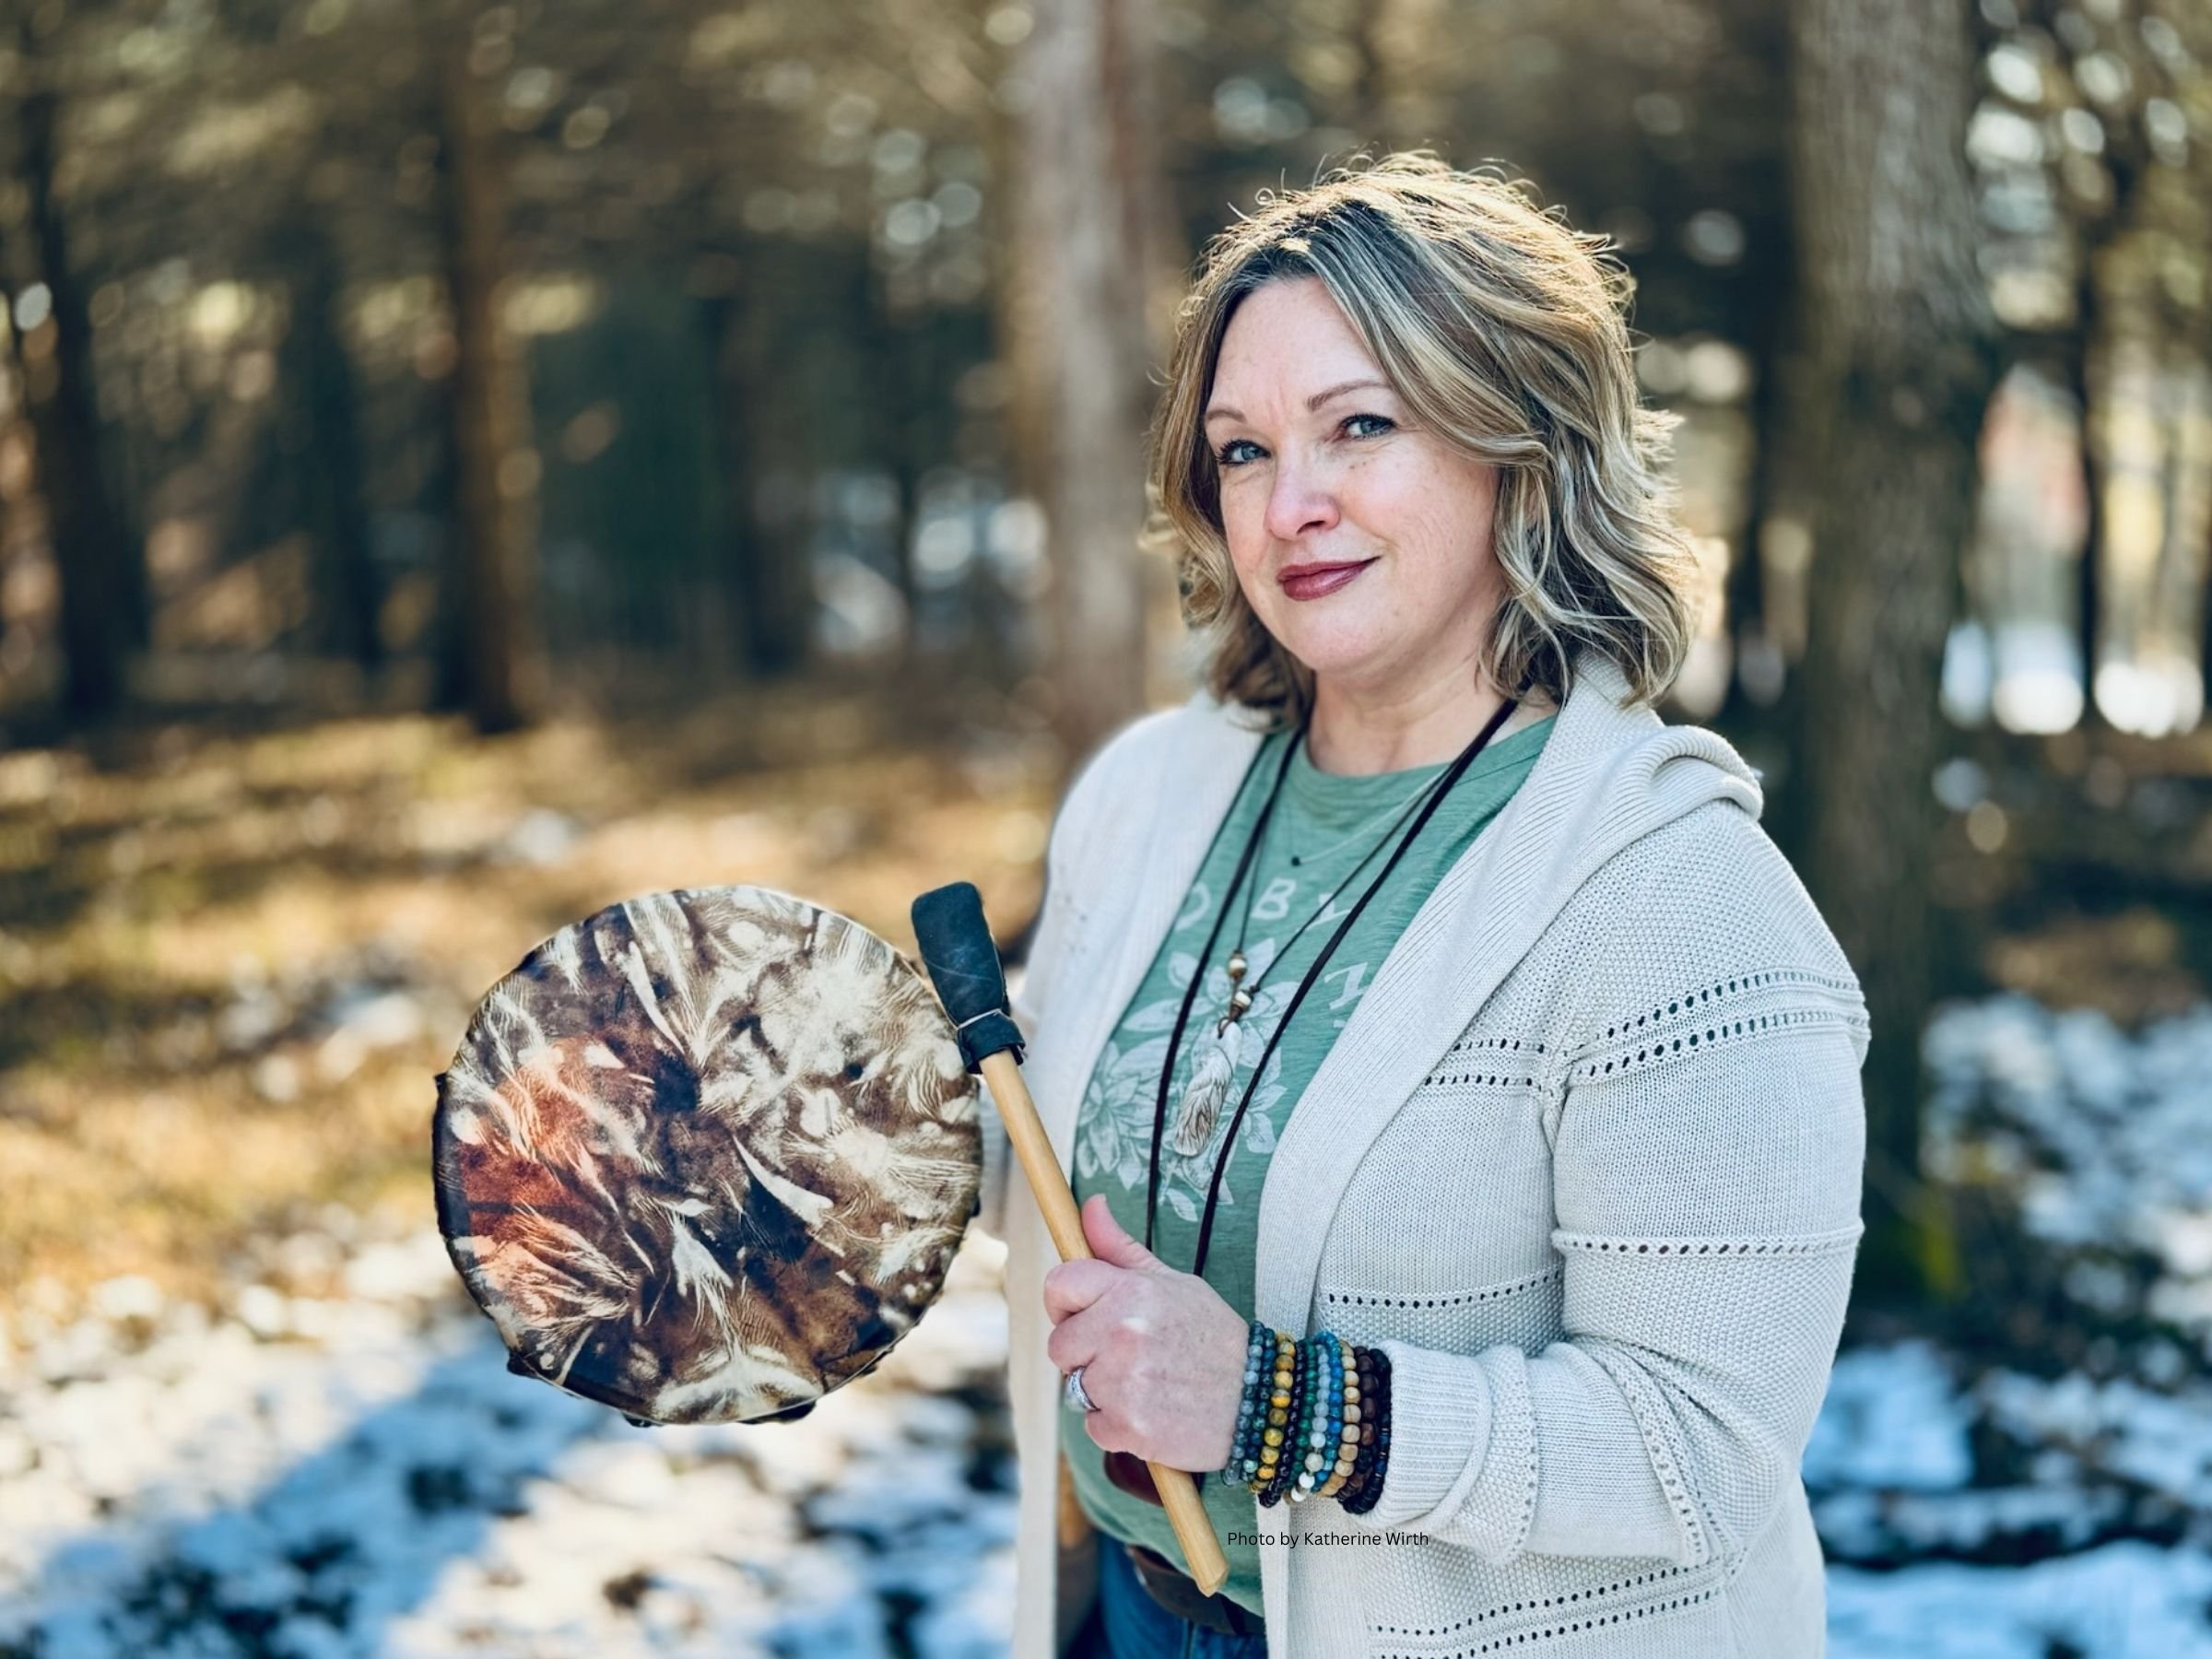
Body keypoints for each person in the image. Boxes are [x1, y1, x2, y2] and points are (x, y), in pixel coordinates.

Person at [971, 151, 1868, 1659]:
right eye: (1242, 451)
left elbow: (1700, 1448)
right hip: (1128, 1614)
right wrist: (837, 1134)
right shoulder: (1150, 794)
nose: (1290, 506)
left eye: (1360, 426)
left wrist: (1274, 1405)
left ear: (1521, 443)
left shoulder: (1679, 902)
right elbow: (1065, 1175)